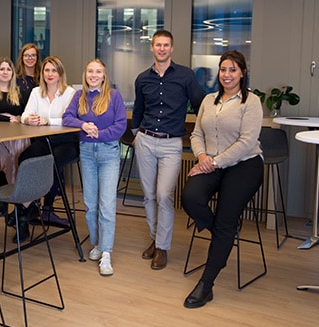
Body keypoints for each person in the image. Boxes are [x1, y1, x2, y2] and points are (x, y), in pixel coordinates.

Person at [181, 50, 264, 308]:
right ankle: (223, 234)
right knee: (190, 197)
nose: (227, 75)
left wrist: (212, 163)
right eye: (223, 69)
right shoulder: (208, 100)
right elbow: (196, 134)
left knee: (226, 217)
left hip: (245, 165)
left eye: (232, 70)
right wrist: (202, 156)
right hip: (211, 163)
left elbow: (246, 142)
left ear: (242, 73)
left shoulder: (251, 102)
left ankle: (206, 285)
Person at [132, 29, 204, 270]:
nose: (162, 49)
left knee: (164, 195)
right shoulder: (142, 79)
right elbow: (139, 110)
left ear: (171, 48)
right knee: (149, 195)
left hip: (171, 143)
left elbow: (200, 106)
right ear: (152, 48)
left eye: (166, 45)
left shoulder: (185, 75)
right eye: (158, 45)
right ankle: (156, 240)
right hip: (145, 141)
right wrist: (136, 134)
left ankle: (162, 247)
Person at [62, 59, 127, 276]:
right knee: (90, 204)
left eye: (98, 71)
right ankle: (97, 243)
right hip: (87, 153)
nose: (94, 75)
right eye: (90, 71)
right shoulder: (79, 96)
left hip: (109, 152)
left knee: (106, 204)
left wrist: (98, 133)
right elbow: (67, 118)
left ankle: (106, 253)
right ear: (85, 74)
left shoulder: (114, 96)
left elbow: (120, 125)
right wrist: (82, 124)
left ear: (104, 75)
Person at [19, 55, 78, 229]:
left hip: (67, 142)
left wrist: (48, 121)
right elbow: (25, 114)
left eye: (54, 70)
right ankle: (32, 204)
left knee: (51, 163)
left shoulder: (70, 93)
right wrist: (28, 119)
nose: (50, 74)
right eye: (47, 70)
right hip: (45, 140)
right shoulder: (36, 92)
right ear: (42, 73)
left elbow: (69, 119)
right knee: (24, 158)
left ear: (60, 74)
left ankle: (40, 207)